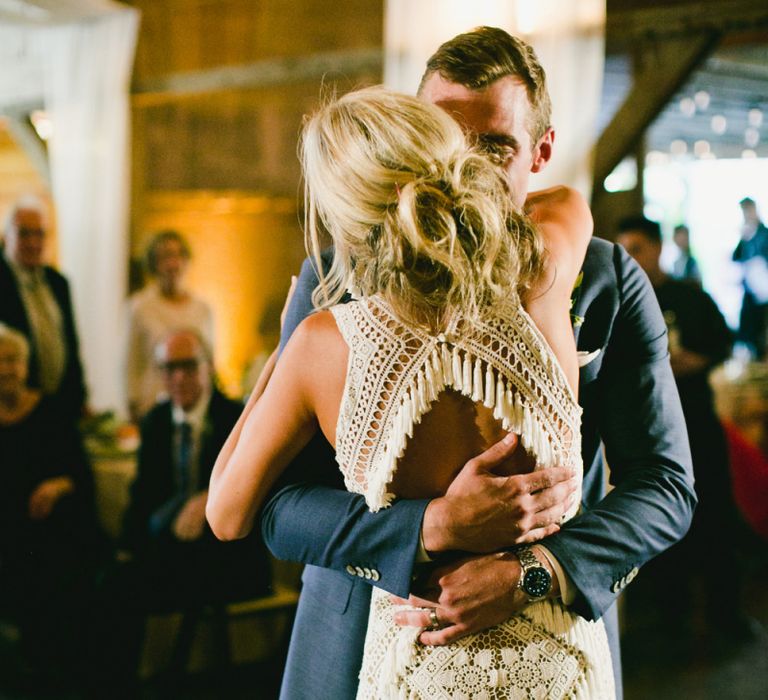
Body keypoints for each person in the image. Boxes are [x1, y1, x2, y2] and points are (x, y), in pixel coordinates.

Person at [249, 27, 694, 700]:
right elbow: (277, 506)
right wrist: (426, 529)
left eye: (495, 145)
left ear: (541, 152)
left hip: (546, 656)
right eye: (444, 136)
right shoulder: (335, 278)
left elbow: (665, 485)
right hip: (355, 645)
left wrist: (535, 573)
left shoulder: (601, 276)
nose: (462, 167)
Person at [208, 85, 618, 697]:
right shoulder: (543, 274)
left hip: (424, 664)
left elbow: (226, 513)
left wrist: (278, 361)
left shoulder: (324, 345)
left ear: (345, 217)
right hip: (559, 662)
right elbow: (567, 202)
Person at [89, 329, 270, 693]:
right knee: (109, 583)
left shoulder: (236, 416)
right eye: (169, 368)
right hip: (170, 552)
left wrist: (210, 499)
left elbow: (263, 486)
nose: (179, 378)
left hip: (229, 553)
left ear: (207, 367)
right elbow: (143, 497)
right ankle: (115, 687)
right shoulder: (157, 421)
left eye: (188, 366)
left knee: (186, 576)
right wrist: (127, 549)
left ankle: (171, 684)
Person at [617, 216, 750, 648]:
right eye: (626, 250)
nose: (631, 258)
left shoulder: (690, 297)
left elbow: (722, 344)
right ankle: (669, 623)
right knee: (660, 531)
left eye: (637, 248)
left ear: (656, 248)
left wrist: (690, 361)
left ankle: (726, 617)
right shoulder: (620, 299)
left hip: (698, 426)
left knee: (716, 524)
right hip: (648, 435)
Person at [0, 323, 101, 686]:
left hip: (52, 532)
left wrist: (56, 486)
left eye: (13, 360)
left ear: (26, 365)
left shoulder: (51, 411)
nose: (6, 369)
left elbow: (81, 476)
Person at [0, 196, 88, 417]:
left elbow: (71, 344)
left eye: (39, 234)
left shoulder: (58, 282)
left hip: (59, 403)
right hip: (14, 408)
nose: (33, 243)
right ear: (6, 236)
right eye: (24, 234)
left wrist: (80, 397)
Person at [125, 230, 214, 422]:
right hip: (152, 405)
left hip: (195, 408)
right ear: (154, 263)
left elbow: (210, 359)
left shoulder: (203, 309)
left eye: (177, 255)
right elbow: (131, 363)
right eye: (164, 256)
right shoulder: (140, 307)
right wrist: (133, 405)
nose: (172, 263)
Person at [732, 197, 768, 359]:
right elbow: (736, 257)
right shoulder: (746, 235)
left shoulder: (764, 233)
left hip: (764, 293)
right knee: (748, 331)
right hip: (750, 292)